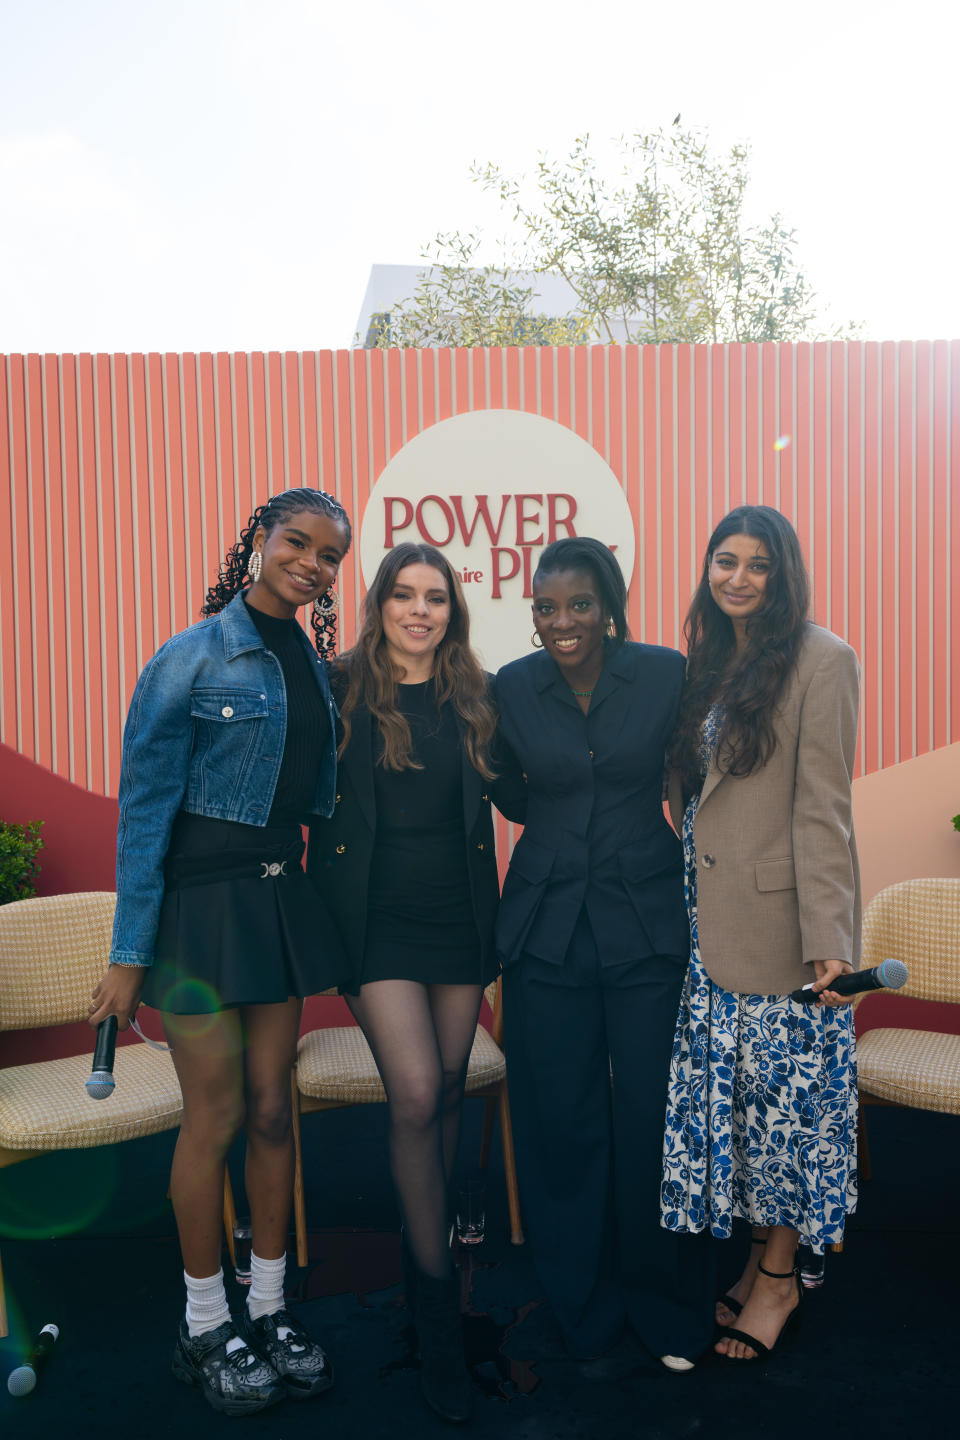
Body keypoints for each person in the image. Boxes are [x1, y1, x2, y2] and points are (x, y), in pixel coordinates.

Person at [88, 486, 352, 1416]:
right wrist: (130, 953)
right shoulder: (189, 657)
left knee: (277, 1111)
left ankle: (271, 1309)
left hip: (279, 899)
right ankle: (206, 1325)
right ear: (258, 542)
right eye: (297, 542)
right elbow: (147, 809)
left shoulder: (318, 669)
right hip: (201, 913)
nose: (311, 563)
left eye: (328, 555)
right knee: (217, 1116)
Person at [493, 536, 715, 1377]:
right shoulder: (513, 687)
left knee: (656, 1114)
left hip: (646, 917)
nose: (562, 622)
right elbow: (509, 787)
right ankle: (579, 1303)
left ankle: (666, 1303)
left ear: (610, 604)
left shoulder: (664, 673)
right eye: (546, 608)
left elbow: (695, 777)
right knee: (562, 1118)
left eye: (578, 604)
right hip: (545, 926)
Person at [307, 541, 502, 1424]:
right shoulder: (338, 687)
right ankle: (434, 1318)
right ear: (380, 602)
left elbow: (525, 790)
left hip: (460, 917)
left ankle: (444, 1251)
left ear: (451, 611)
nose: (419, 610)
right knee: (418, 1092)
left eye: (436, 598)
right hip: (375, 922)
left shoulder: (477, 694)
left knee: (452, 1089)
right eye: (404, 595)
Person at [661, 504, 860, 1362]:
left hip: (784, 936)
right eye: (723, 561)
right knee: (741, 1114)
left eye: (757, 565)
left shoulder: (824, 659)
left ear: (784, 574)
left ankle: (780, 1278)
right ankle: (754, 1257)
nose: (736, 578)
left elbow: (824, 811)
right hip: (707, 928)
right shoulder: (710, 660)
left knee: (785, 1116)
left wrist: (830, 937)